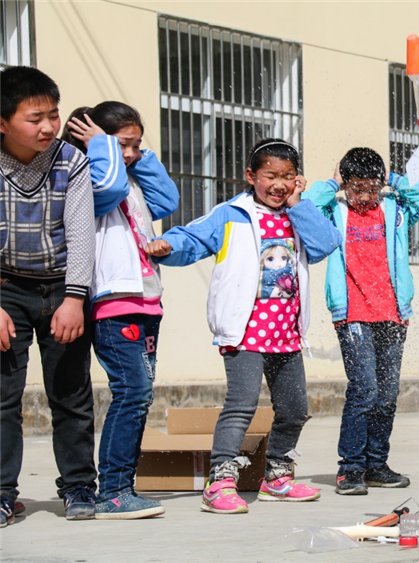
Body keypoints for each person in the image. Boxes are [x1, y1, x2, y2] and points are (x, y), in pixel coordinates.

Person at [147, 138, 341, 514]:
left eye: (288, 177)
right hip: (244, 330)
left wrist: (300, 206)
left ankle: (277, 477)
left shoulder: (299, 215)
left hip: (286, 333)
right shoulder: (231, 213)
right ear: (251, 176)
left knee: (295, 408)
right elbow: (192, 236)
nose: (279, 184)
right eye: (271, 175)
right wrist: (167, 246)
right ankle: (220, 481)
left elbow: (325, 244)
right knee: (241, 405)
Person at [61, 101, 179, 519]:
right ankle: (113, 490)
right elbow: (108, 189)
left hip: (146, 299)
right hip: (113, 302)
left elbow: (167, 198)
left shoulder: (130, 176)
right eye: (124, 146)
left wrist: (137, 154)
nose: (130, 154)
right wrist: (102, 147)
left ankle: (118, 487)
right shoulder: (89, 179)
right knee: (132, 392)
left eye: (136, 145)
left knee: (139, 394)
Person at [303, 148, 419, 495]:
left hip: (393, 314)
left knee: (388, 394)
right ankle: (350, 468)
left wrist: (393, 180)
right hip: (352, 314)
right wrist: (333, 182)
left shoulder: (395, 210)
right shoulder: (334, 211)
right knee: (364, 389)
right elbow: (304, 204)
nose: (363, 196)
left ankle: (376, 464)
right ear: (345, 186)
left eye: (371, 187)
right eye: (355, 188)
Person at [0, 66, 97, 526]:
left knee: (71, 395)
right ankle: (2, 492)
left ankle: (79, 487)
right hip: (5, 290)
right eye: (34, 117)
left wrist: (75, 299)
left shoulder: (70, 161)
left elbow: (81, 234)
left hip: (62, 288)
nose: (47, 127)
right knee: (3, 398)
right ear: (2, 122)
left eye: (53, 115)